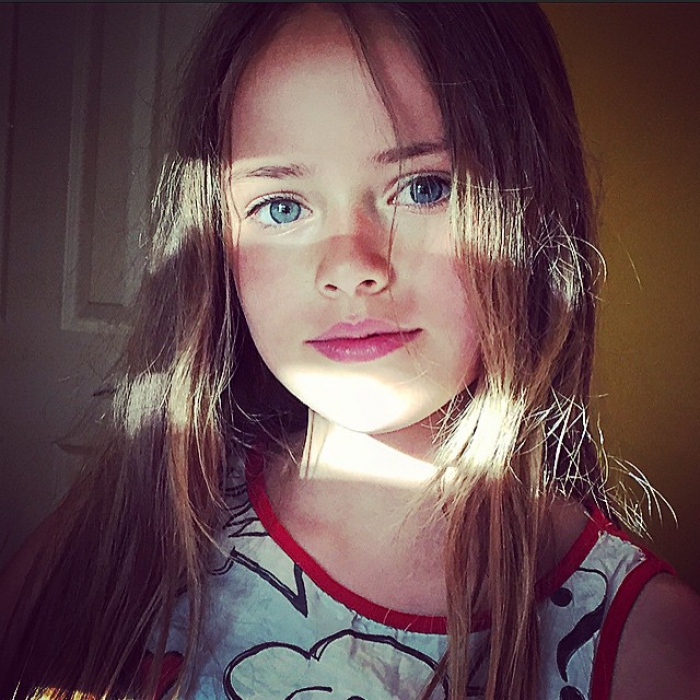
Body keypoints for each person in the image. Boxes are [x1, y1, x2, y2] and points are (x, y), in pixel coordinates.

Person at [1, 3, 699, 699]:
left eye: (424, 188)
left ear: (535, 209)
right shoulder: (135, 524)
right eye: (281, 205)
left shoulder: (642, 645)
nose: (349, 266)